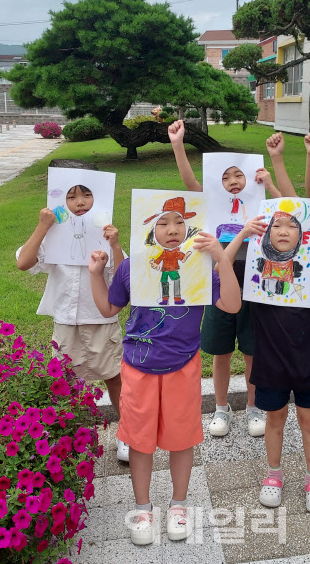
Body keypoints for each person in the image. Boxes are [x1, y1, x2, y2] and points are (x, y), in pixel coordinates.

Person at [88, 226, 241, 545]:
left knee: (182, 438)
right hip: (137, 367)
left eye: (179, 222)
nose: (172, 229)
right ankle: (142, 508)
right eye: (163, 222)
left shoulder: (198, 266)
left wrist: (220, 258)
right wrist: (95, 274)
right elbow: (108, 308)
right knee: (139, 441)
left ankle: (178, 505)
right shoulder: (132, 266)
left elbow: (232, 304)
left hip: (182, 366)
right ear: (148, 226)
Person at [224, 214, 310, 513]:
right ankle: (273, 475)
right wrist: (242, 235)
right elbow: (221, 267)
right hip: (270, 363)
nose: (283, 231)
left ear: (303, 234)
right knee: (274, 420)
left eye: (292, 226)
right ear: (266, 234)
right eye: (276, 225)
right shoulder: (254, 266)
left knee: (309, 421)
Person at [167, 119, 279, 438]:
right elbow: (190, 181)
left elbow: (289, 203)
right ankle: (220, 407)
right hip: (218, 285)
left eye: (238, 175)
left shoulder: (261, 202)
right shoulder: (211, 201)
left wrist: (269, 182)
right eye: (226, 177)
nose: (232, 182)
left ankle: (254, 407)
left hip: (255, 283)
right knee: (221, 351)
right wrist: (177, 144)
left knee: (253, 350)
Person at [16, 175, 130, 462]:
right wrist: (43, 226)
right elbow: (23, 263)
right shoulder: (53, 235)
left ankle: (127, 432)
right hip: (66, 321)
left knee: (115, 378)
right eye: (71, 196)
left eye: (87, 195)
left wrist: (116, 245)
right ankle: (68, 435)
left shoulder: (105, 234)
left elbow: (123, 280)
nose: (80, 202)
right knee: (65, 382)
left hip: (102, 321)